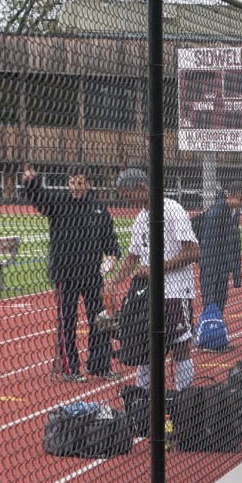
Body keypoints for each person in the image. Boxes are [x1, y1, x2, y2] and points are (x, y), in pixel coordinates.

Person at [20, 163, 120, 382]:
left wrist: (111, 259)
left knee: (100, 320)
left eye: (81, 182)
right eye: (73, 182)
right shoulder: (59, 203)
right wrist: (32, 182)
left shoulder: (99, 208)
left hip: (93, 275)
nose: (76, 186)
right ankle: (70, 368)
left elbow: (110, 243)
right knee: (68, 322)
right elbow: (40, 200)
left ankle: (100, 364)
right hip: (65, 275)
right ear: (68, 183)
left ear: (89, 184)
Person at [105, 168, 201, 394]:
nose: (128, 202)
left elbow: (193, 251)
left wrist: (156, 268)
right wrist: (113, 282)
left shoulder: (172, 209)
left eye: (129, 196)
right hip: (149, 295)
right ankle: (142, 400)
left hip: (175, 291)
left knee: (180, 348)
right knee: (144, 348)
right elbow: (132, 256)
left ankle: (184, 399)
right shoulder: (141, 218)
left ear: (141, 188)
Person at [195, 181, 242, 314]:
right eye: (239, 198)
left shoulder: (234, 214)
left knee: (220, 306)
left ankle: (216, 331)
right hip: (211, 268)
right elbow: (208, 243)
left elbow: (235, 244)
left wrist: (236, 275)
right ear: (229, 195)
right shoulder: (216, 213)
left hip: (223, 269)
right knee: (211, 308)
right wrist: (209, 273)